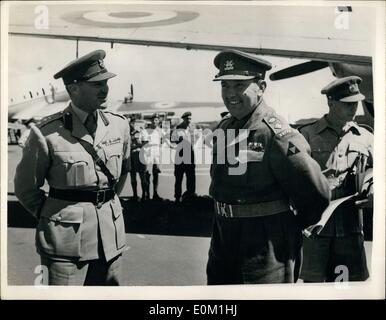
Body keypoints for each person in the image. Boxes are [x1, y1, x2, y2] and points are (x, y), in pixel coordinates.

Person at [206, 49, 331, 284]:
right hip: (223, 244)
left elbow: (316, 194)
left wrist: (286, 229)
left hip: (265, 252)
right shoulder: (224, 128)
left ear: (261, 87)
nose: (230, 94)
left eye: (239, 85)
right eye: (225, 86)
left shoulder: (277, 135)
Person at [14, 50, 130, 286]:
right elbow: (26, 188)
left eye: (106, 82)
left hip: (110, 235)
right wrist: (54, 217)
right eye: (96, 83)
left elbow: (124, 170)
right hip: (64, 241)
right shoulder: (45, 133)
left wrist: (108, 205)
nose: (105, 89)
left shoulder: (119, 126)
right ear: (73, 88)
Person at [299, 76, 373, 282]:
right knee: (314, 289)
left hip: (350, 231)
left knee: (346, 289)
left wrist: (372, 187)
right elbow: (294, 178)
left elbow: (377, 171)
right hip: (316, 231)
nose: (354, 109)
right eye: (347, 104)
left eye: (356, 103)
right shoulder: (307, 135)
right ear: (330, 103)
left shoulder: (365, 137)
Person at [171, 112, 196, 203]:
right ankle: (177, 197)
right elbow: (173, 140)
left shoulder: (192, 128)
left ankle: (190, 195)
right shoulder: (178, 128)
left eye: (190, 118)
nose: (189, 120)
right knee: (179, 177)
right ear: (183, 119)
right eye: (187, 119)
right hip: (180, 154)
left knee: (191, 176)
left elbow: (196, 139)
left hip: (190, 154)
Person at [129, 116, 150, 201]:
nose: (132, 124)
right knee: (132, 175)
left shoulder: (142, 131)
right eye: (131, 123)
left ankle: (144, 195)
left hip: (139, 154)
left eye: (134, 123)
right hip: (131, 155)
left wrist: (136, 145)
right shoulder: (129, 132)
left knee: (142, 175)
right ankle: (135, 195)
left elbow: (146, 143)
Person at [144, 114, 163, 200]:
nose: (154, 122)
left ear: (158, 121)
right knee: (147, 174)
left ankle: (155, 193)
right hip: (148, 154)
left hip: (157, 155)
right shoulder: (147, 130)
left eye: (156, 120)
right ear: (151, 121)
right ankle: (147, 194)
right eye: (153, 120)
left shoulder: (160, 131)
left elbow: (161, 143)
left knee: (156, 174)